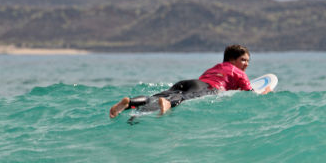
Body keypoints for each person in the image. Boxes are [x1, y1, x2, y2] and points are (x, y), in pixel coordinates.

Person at [109, 44, 268, 117]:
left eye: (248, 61)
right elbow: (250, 93)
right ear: (233, 60)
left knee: (157, 96)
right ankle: (168, 103)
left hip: (190, 82)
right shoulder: (238, 72)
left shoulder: (216, 67)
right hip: (207, 87)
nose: (246, 64)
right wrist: (265, 92)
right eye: (243, 60)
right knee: (182, 98)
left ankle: (129, 103)